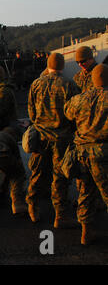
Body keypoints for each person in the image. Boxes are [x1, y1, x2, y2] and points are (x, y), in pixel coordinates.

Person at [26, 53, 80, 227]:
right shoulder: (69, 84)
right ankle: (60, 215)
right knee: (60, 177)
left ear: (48, 65)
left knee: (37, 172)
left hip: (41, 136)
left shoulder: (36, 83)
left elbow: (31, 112)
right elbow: (74, 114)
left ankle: (32, 205)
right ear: (62, 66)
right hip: (61, 138)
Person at [64, 64, 108, 245]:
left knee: (85, 192)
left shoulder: (80, 98)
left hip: (81, 153)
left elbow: (68, 113)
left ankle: (86, 232)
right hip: (102, 154)